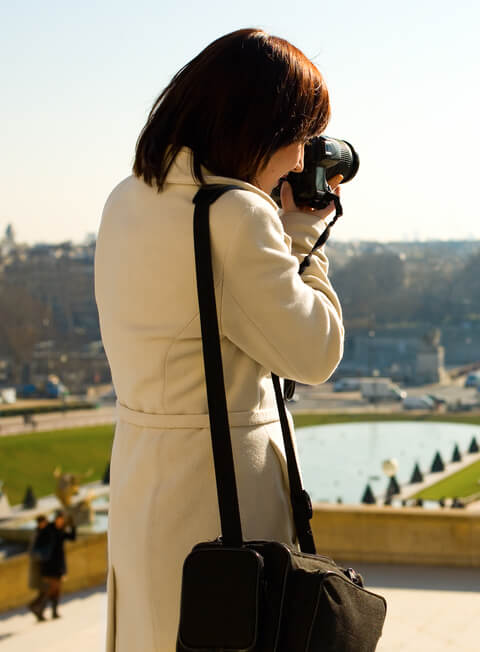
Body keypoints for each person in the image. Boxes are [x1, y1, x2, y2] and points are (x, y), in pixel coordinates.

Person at [94, 29, 344, 651]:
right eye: (299, 135)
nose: (300, 159)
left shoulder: (127, 199)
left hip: (144, 479)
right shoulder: (235, 214)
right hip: (221, 490)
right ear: (259, 126)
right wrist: (302, 237)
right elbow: (315, 352)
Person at [29, 511, 76, 621]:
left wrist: (73, 525)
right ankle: (38, 609)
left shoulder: (61, 530)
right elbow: (37, 544)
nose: (61, 521)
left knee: (56, 589)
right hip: (48, 566)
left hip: (58, 565)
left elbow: (72, 538)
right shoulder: (48, 529)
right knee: (50, 589)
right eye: (59, 519)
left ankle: (52, 612)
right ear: (55, 519)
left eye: (62, 519)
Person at [26, 515, 49, 621]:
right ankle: (34, 607)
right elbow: (32, 552)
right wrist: (43, 557)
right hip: (39, 570)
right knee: (45, 591)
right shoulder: (37, 535)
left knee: (44, 591)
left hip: (43, 568)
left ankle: (39, 612)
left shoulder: (43, 533)